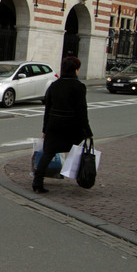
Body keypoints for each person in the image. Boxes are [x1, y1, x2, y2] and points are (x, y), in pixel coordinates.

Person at [32, 56, 93, 193]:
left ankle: (37, 181)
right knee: (79, 151)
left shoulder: (55, 85)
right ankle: (80, 176)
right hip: (72, 126)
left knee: (48, 153)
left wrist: (45, 128)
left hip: (54, 123)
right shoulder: (79, 87)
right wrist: (87, 131)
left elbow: (48, 109)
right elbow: (82, 110)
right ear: (76, 70)